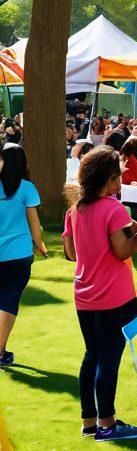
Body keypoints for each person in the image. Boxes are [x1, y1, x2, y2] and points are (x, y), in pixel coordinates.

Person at [63, 145, 137, 441]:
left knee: (92, 355)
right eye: (116, 178)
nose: (119, 184)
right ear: (105, 178)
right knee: (108, 359)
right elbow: (120, 251)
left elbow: (70, 252)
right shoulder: (113, 208)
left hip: (84, 294)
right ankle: (107, 424)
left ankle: (90, 422)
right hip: (113, 296)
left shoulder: (75, 210)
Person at [0, 144, 47, 367]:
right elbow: (34, 223)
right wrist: (40, 245)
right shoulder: (28, 188)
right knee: (8, 303)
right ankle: (0, 351)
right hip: (19, 255)